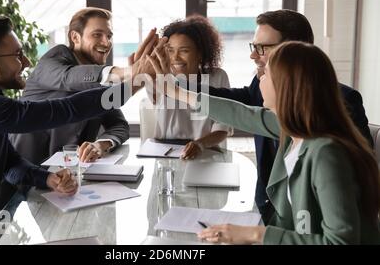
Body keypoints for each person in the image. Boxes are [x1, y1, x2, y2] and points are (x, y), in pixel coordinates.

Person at [0, 16, 146, 243]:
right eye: (17, 55)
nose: (26, 62)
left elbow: (10, 163)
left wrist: (49, 179)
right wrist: (134, 83)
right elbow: (65, 109)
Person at [150, 41, 380, 244]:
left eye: (266, 74)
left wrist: (257, 235)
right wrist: (174, 91)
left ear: (286, 86)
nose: (259, 78)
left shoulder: (326, 153)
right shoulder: (292, 128)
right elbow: (240, 113)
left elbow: (341, 242)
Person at [186, 10, 372, 223]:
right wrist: (182, 87)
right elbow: (240, 106)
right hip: (268, 209)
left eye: (262, 48)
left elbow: (350, 192)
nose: (253, 55)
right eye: (253, 46)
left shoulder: (342, 104)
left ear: (294, 49)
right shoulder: (265, 84)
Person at [10, 8, 131, 165]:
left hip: (70, 175)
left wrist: (101, 145)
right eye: (97, 35)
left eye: (109, 36)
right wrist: (128, 72)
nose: (106, 42)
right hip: (26, 173)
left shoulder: (98, 81)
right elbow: (69, 77)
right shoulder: (53, 60)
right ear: (75, 37)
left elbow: (119, 124)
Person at [146, 15, 231, 159]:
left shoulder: (218, 77)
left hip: (206, 152)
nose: (175, 58)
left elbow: (222, 129)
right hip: (166, 153)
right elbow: (155, 96)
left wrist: (199, 145)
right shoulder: (158, 77)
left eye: (184, 51)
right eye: (170, 50)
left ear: (200, 54)